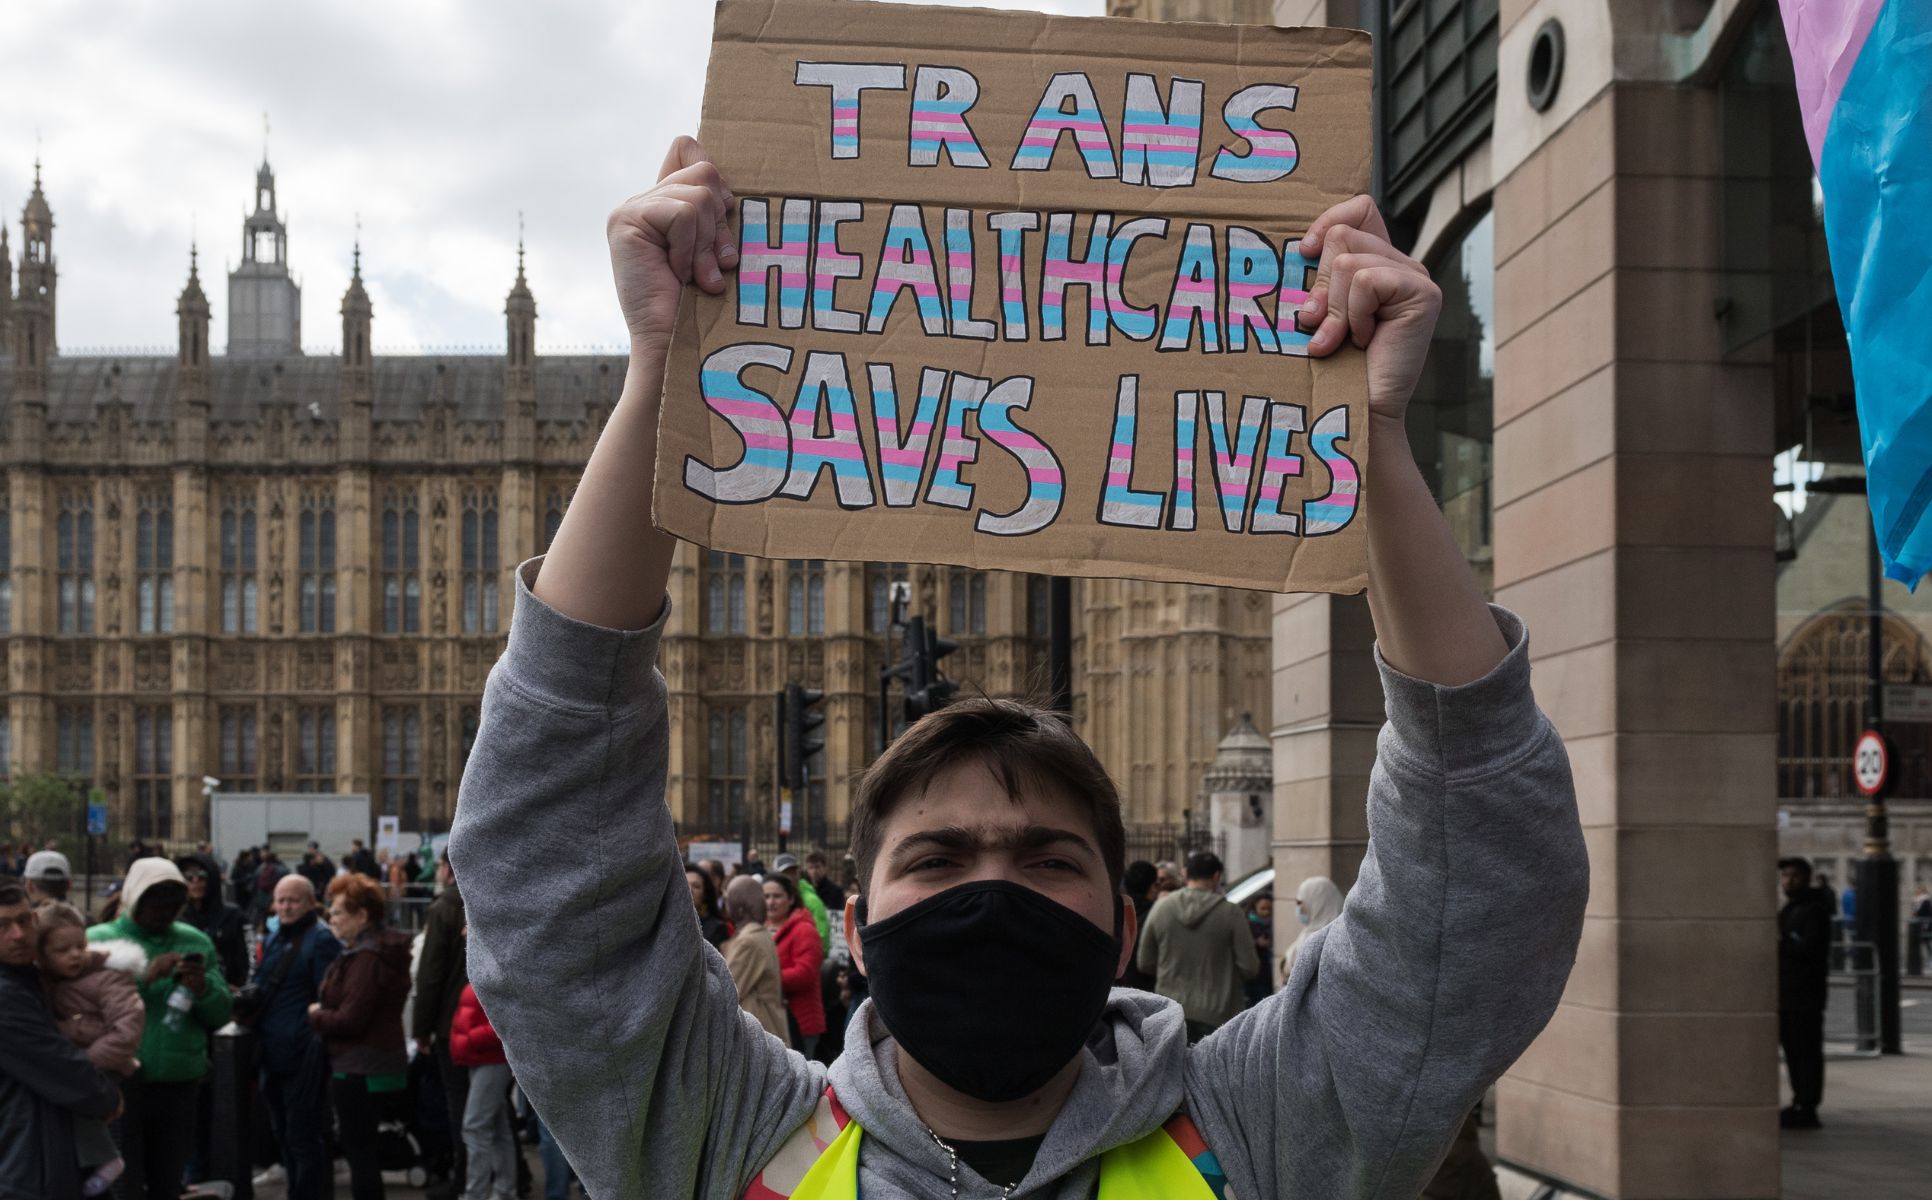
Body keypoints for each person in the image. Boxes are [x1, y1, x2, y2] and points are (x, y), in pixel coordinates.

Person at [448, 141, 1587, 1198]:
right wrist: (666, 376)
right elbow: (545, 872)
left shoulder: (1261, 1133)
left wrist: (1371, 438)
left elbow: (1477, 896)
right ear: (852, 926)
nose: (991, 895)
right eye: (938, 859)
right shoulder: (734, 1141)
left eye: (1046, 860)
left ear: (1122, 923)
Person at [86, 858, 231, 1199]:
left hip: (178, 1081)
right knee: (124, 1182)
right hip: (119, 1082)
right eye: (154, 908)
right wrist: (146, 978)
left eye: (171, 908)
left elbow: (220, 1014)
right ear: (134, 900)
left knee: (168, 1180)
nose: (163, 916)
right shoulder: (100, 940)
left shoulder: (194, 941)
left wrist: (203, 989)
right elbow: (85, 1006)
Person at [1, 881, 124, 1200]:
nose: (17, 934)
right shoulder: (6, 994)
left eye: (24, 921)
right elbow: (57, 1065)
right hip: (26, 1167)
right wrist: (107, 1096)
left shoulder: (29, 977)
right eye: (2, 925)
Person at [309, 873, 412, 1200]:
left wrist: (316, 1016)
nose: (332, 918)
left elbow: (351, 1019)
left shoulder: (366, 959)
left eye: (338, 912)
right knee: (364, 1150)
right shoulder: (374, 952)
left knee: (360, 1152)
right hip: (376, 1062)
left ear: (362, 916)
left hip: (358, 1066)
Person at [35, 903, 144, 1197]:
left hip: (103, 1065)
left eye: (79, 946)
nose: (74, 955)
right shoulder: (46, 983)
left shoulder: (109, 975)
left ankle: (108, 1160)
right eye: (62, 949)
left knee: (88, 1111)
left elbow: (127, 1029)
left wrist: (83, 1062)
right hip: (83, 1063)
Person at [249, 874, 342, 1200]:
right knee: (284, 1135)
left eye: (293, 900)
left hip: (303, 1055)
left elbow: (328, 997)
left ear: (309, 903)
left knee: (303, 1136)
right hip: (273, 1053)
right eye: (281, 900)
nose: (286, 907)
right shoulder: (278, 937)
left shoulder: (319, 940)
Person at [1135, 851, 1259, 1042]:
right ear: (1217, 876)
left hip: (1170, 1011)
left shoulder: (1161, 908)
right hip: (1219, 1015)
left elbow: (1145, 962)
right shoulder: (1232, 914)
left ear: (1185, 874)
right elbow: (1249, 967)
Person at [410, 851, 471, 1200]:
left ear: (449, 868)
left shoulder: (445, 907)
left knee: (460, 1107)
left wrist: (421, 1029)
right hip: (494, 1025)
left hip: (455, 1025)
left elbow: (430, 975)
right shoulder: (494, 894)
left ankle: (463, 1179)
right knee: (491, 1108)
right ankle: (514, 1175)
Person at [449, 979, 515, 1200]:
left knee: (475, 1126)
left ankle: (476, 1194)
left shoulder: (493, 958)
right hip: (481, 1056)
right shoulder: (483, 956)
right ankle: (504, 1190)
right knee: (497, 1127)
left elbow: (507, 1014)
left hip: (489, 1056)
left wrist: (472, 1038)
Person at [1778, 857, 1830, 1130]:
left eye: (1794, 876)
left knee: (1806, 1053)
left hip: (1805, 995)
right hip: (1787, 994)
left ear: (1807, 878)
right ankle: (1800, 1101)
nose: (1788, 881)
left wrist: (1784, 944)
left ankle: (1808, 1106)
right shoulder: (1789, 910)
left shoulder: (1814, 911)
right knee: (1793, 1053)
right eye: (1785, 876)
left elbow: (1809, 950)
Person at [719, 875, 790, 1047]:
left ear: (741, 908)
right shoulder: (760, 934)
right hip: (768, 1030)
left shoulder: (748, 942)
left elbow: (726, 991)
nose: (725, 906)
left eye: (729, 900)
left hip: (758, 1035)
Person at [764, 872, 827, 1057]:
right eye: (766, 896)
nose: (770, 902)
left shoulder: (804, 929)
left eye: (777, 896)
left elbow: (805, 973)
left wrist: (766, 981)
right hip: (774, 1020)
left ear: (791, 898)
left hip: (800, 1022)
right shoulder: (762, 927)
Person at [174, 851, 252, 988]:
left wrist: (241, 991)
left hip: (227, 993)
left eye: (202, 876)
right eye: (188, 877)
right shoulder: (176, 918)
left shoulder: (234, 916)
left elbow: (249, 960)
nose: (195, 881)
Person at [1278, 876, 1345, 989]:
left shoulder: (1317, 941)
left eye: (1300, 902)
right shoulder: (1343, 934)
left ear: (1317, 903)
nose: (1299, 908)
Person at [774, 853, 832, 954]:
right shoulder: (770, 901)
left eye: (793, 872)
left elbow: (822, 940)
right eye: (785, 873)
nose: (790, 876)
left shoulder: (812, 902)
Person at [1116, 861, 1160, 990]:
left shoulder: (1113, 911)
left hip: (1117, 985)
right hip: (1148, 986)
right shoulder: (1157, 912)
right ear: (1151, 887)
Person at [686, 864, 732, 949]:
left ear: (705, 895)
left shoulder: (717, 928)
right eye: (684, 884)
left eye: (696, 887)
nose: (689, 890)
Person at [1243, 894, 1275, 1006]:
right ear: (1255, 908)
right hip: (1256, 976)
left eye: (1269, 909)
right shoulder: (1248, 924)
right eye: (1263, 909)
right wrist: (1256, 943)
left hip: (1269, 975)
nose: (1266, 912)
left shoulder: (1275, 924)